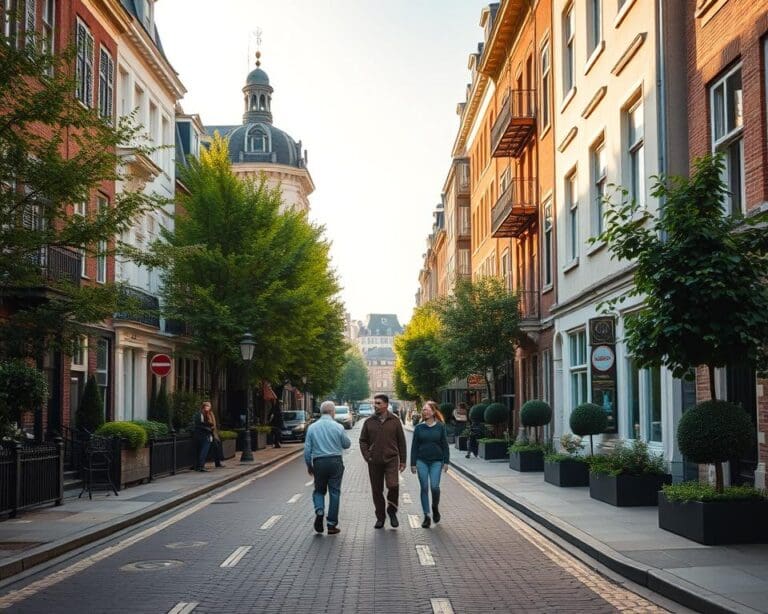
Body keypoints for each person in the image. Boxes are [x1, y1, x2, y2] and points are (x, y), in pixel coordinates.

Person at [304, 400, 352, 535]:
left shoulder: (312, 427)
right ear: (332, 412)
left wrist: (309, 465)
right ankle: (331, 524)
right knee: (334, 492)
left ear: (321, 412)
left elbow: (307, 449)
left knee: (319, 490)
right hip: (335, 461)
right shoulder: (338, 427)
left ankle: (319, 510)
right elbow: (346, 444)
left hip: (319, 462)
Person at [359, 393, 407, 529]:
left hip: (391, 459)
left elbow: (401, 441)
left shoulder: (395, 420)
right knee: (377, 490)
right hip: (374, 461)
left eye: (378, 403)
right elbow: (363, 440)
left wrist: (403, 460)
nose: (375, 405)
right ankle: (380, 517)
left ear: (386, 405)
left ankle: (392, 511)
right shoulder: (368, 422)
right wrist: (367, 455)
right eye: (374, 403)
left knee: (393, 485)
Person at [410, 400, 450, 528]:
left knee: (434, 487)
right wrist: (413, 463)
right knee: (424, 487)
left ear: (433, 412)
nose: (424, 411)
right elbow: (414, 446)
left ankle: (435, 507)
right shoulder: (419, 427)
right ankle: (426, 515)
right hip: (421, 461)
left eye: (427, 409)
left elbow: (445, 445)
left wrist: (446, 461)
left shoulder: (440, 426)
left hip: (436, 461)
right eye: (423, 409)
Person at [193, 401, 215, 472]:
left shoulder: (203, 413)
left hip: (201, 434)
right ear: (204, 407)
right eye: (208, 406)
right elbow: (200, 424)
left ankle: (198, 466)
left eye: (209, 406)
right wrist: (209, 426)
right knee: (203, 451)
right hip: (204, 435)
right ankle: (201, 466)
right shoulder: (201, 414)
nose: (209, 408)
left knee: (201, 451)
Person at [205, 403, 226, 468]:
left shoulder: (211, 413)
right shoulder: (204, 414)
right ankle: (201, 464)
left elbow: (213, 423)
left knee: (217, 447)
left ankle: (218, 463)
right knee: (209, 448)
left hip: (213, 433)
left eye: (209, 406)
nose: (207, 407)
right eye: (206, 406)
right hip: (208, 433)